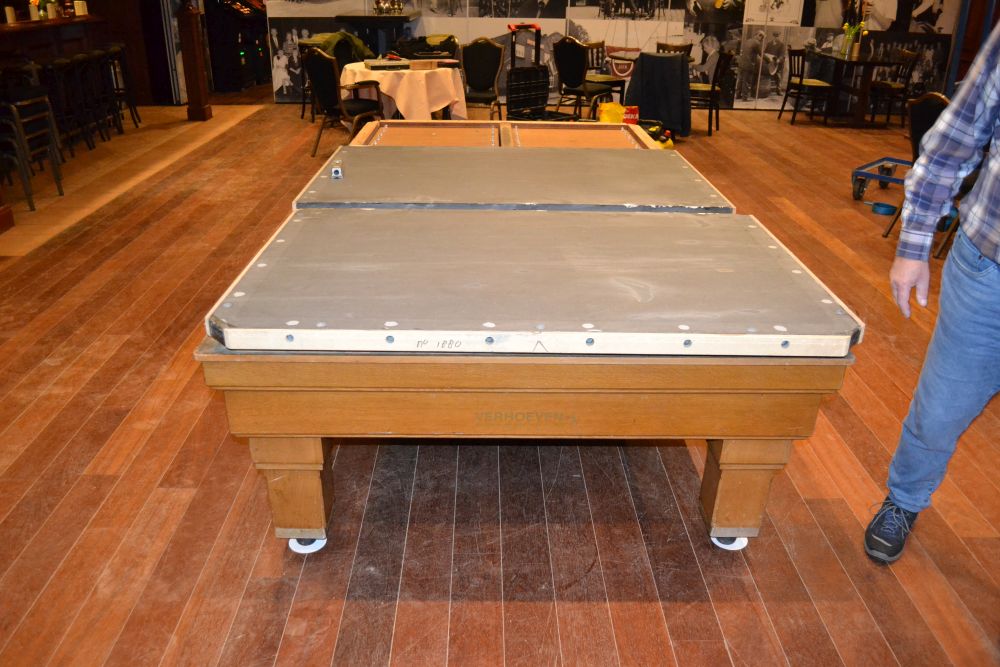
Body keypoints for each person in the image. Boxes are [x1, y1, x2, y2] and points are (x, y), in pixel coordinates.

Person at [864, 22, 1000, 564]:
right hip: (990, 269)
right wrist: (914, 244)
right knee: (941, 408)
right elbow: (954, 143)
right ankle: (904, 500)